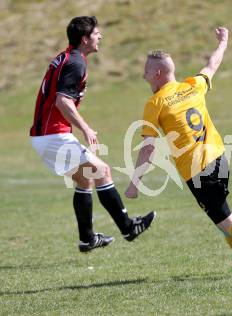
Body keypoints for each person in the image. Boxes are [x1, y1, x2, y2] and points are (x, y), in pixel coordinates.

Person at [125, 27, 232, 272]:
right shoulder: (193, 85)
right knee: (222, 218)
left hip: (198, 171)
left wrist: (134, 183)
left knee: (227, 223)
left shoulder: (155, 103)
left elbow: (148, 147)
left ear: (157, 73)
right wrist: (223, 43)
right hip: (219, 158)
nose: (143, 76)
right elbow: (212, 65)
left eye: (146, 72)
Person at [29, 16, 155, 253]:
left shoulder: (68, 57)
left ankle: (87, 239)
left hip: (46, 135)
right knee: (102, 170)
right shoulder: (76, 62)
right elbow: (62, 101)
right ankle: (128, 227)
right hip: (53, 135)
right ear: (85, 39)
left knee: (85, 177)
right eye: (97, 34)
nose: (100, 37)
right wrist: (85, 128)